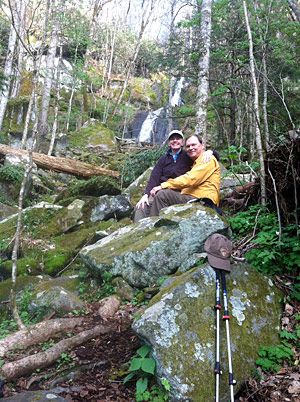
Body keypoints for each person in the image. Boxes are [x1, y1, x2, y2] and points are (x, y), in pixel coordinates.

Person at [134, 130, 219, 222]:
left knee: (162, 195)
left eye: (178, 138)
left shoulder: (198, 157)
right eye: (172, 139)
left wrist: (211, 152)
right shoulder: (164, 159)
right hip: (178, 192)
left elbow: (191, 178)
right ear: (168, 143)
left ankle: (155, 228)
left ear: (182, 142)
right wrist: (145, 194)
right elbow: (154, 177)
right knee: (142, 206)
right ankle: (138, 231)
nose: (191, 148)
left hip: (197, 197)